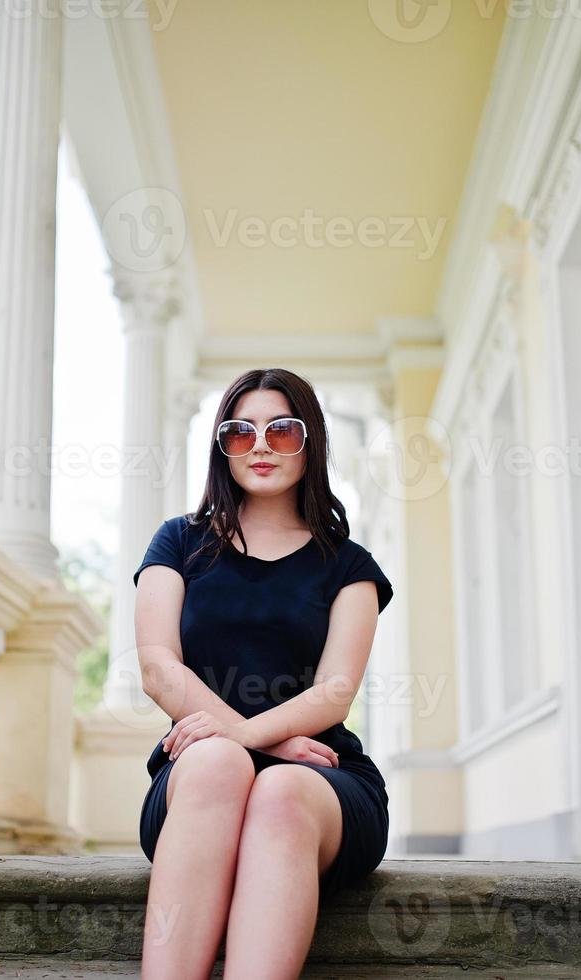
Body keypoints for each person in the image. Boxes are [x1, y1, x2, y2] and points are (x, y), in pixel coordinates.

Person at [131, 368, 394, 979]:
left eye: (282, 429)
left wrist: (258, 745)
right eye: (240, 432)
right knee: (220, 765)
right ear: (222, 447)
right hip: (198, 776)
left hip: (320, 778)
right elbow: (156, 667)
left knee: (277, 791)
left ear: (311, 442)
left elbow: (335, 693)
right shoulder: (178, 543)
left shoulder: (349, 566)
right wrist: (263, 740)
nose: (261, 447)